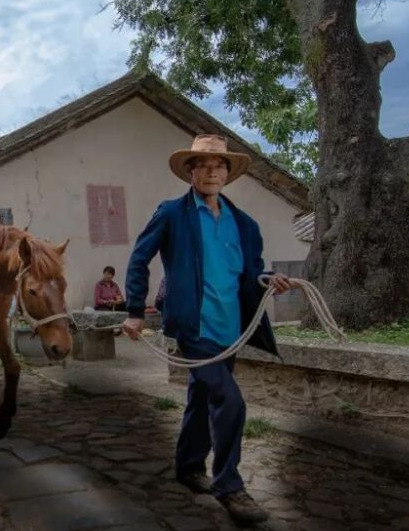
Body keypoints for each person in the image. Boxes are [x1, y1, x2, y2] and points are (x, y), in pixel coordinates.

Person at [122, 134, 294, 525]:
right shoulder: (171, 213)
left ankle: (188, 466)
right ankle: (230, 485)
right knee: (230, 401)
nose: (212, 171)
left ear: (228, 174)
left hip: (229, 328)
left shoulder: (245, 225)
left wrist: (269, 278)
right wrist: (134, 310)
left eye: (220, 165)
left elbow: (251, 272)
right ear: (191, 171)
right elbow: (138, 259)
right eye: (203, 164)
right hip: (193, 326)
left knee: (202, 395)